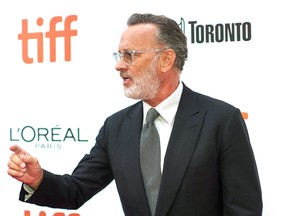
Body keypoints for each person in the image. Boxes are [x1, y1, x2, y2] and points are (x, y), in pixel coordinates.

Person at [7, 13, 262, 216]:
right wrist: (38, 180)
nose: (119, 65)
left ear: (166, 60)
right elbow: (76, 190)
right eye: (119, 55)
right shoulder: (116, 127)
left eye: (130, 55)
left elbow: (244, 209)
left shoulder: (222, 120)